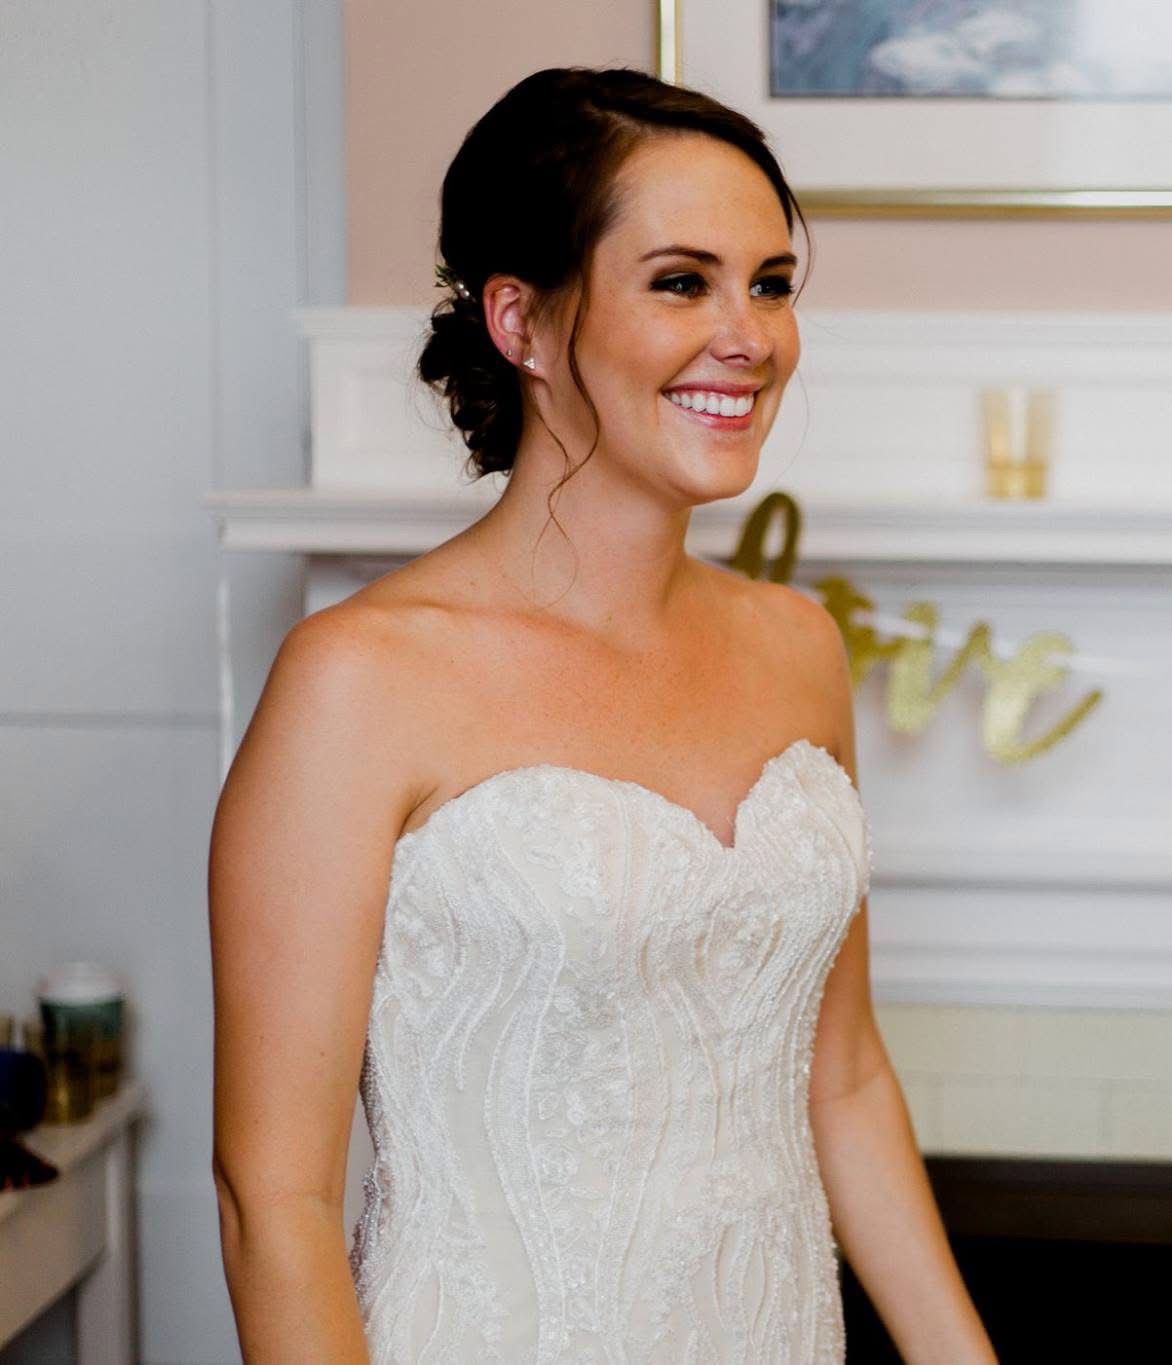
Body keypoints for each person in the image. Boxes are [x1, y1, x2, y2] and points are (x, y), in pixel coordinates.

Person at [208, 66, 996, 1362]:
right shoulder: (359, 678)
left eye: (772, 283)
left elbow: (843, 1075)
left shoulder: (797, 647)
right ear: (520, 319)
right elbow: (272, 1198)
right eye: (682, 282)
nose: (749, 335)